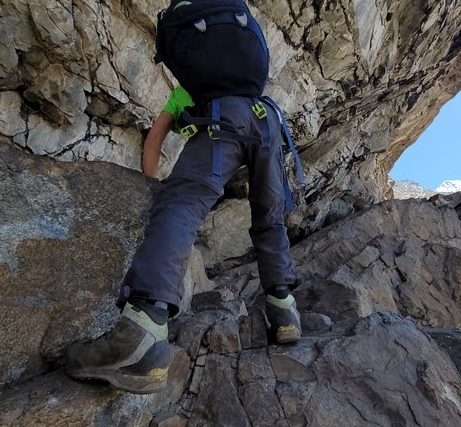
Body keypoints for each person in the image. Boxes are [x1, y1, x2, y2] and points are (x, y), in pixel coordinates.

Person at [64, 82, 302, 393]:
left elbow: (154, 141)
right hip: (268, 118)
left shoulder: (186, 90)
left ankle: (142, 327)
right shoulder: (242, 79)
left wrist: (150, 186)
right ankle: (284, 311)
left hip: (225, 119)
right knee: (270, 219)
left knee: (182, 204)